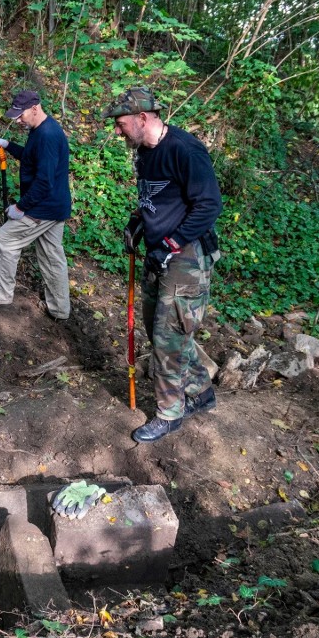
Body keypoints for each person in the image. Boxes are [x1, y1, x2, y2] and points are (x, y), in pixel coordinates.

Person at [102, 86, 223, 443]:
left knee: (168, 337)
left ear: (143, 118)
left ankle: (170, 414)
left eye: (121, 124)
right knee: (161, 328)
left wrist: (170, 243)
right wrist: (137, 221)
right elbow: (154, 198)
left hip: (185, 256)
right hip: (159, 254)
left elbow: (208, 206)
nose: (117, 131)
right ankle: (200, 392)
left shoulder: (185, 150)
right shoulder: (143, 152)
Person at [0, 89, 72, 320]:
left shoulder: (47, 136)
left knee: (4, 241)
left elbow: (44, 181)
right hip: (56, 207)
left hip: (43, 208)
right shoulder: (42, 129)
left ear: (35, 108)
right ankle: (60, 309)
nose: (17, 119)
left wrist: (21, 207)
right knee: (51, 256)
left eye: (20, 115)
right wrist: (8, 145)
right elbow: (31, 156)